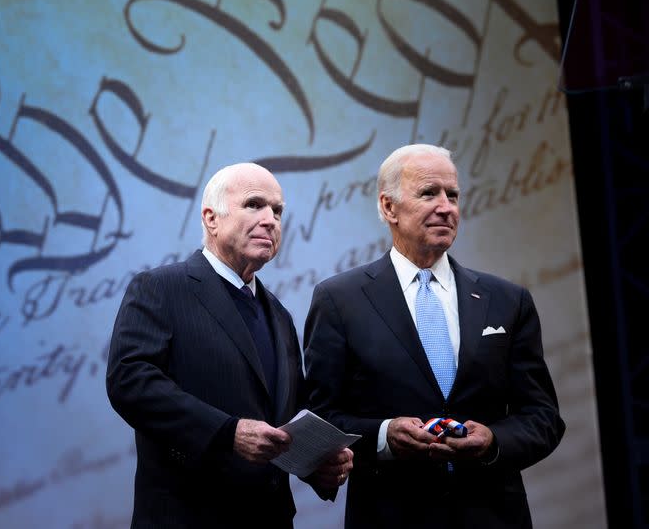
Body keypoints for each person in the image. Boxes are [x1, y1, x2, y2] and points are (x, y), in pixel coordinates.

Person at [303, 144, 565, 528]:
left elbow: (543, 417)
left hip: (492, 515)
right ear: (389, 208)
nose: (446, 207)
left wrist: (493, 441)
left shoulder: (507, 300)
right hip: (391, 514)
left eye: (453, 195)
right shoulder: (339, 300)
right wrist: (384, 435)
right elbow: (321, 417)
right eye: (429, 193)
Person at [107, 162, 353, 529]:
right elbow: (130, 382)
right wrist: (226, 432)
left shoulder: (280, 315)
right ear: (211, 219)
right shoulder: (160, 288)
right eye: (254, 204)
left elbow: (290, 415)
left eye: (278, 210)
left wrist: (317, 462)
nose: (270, 219)